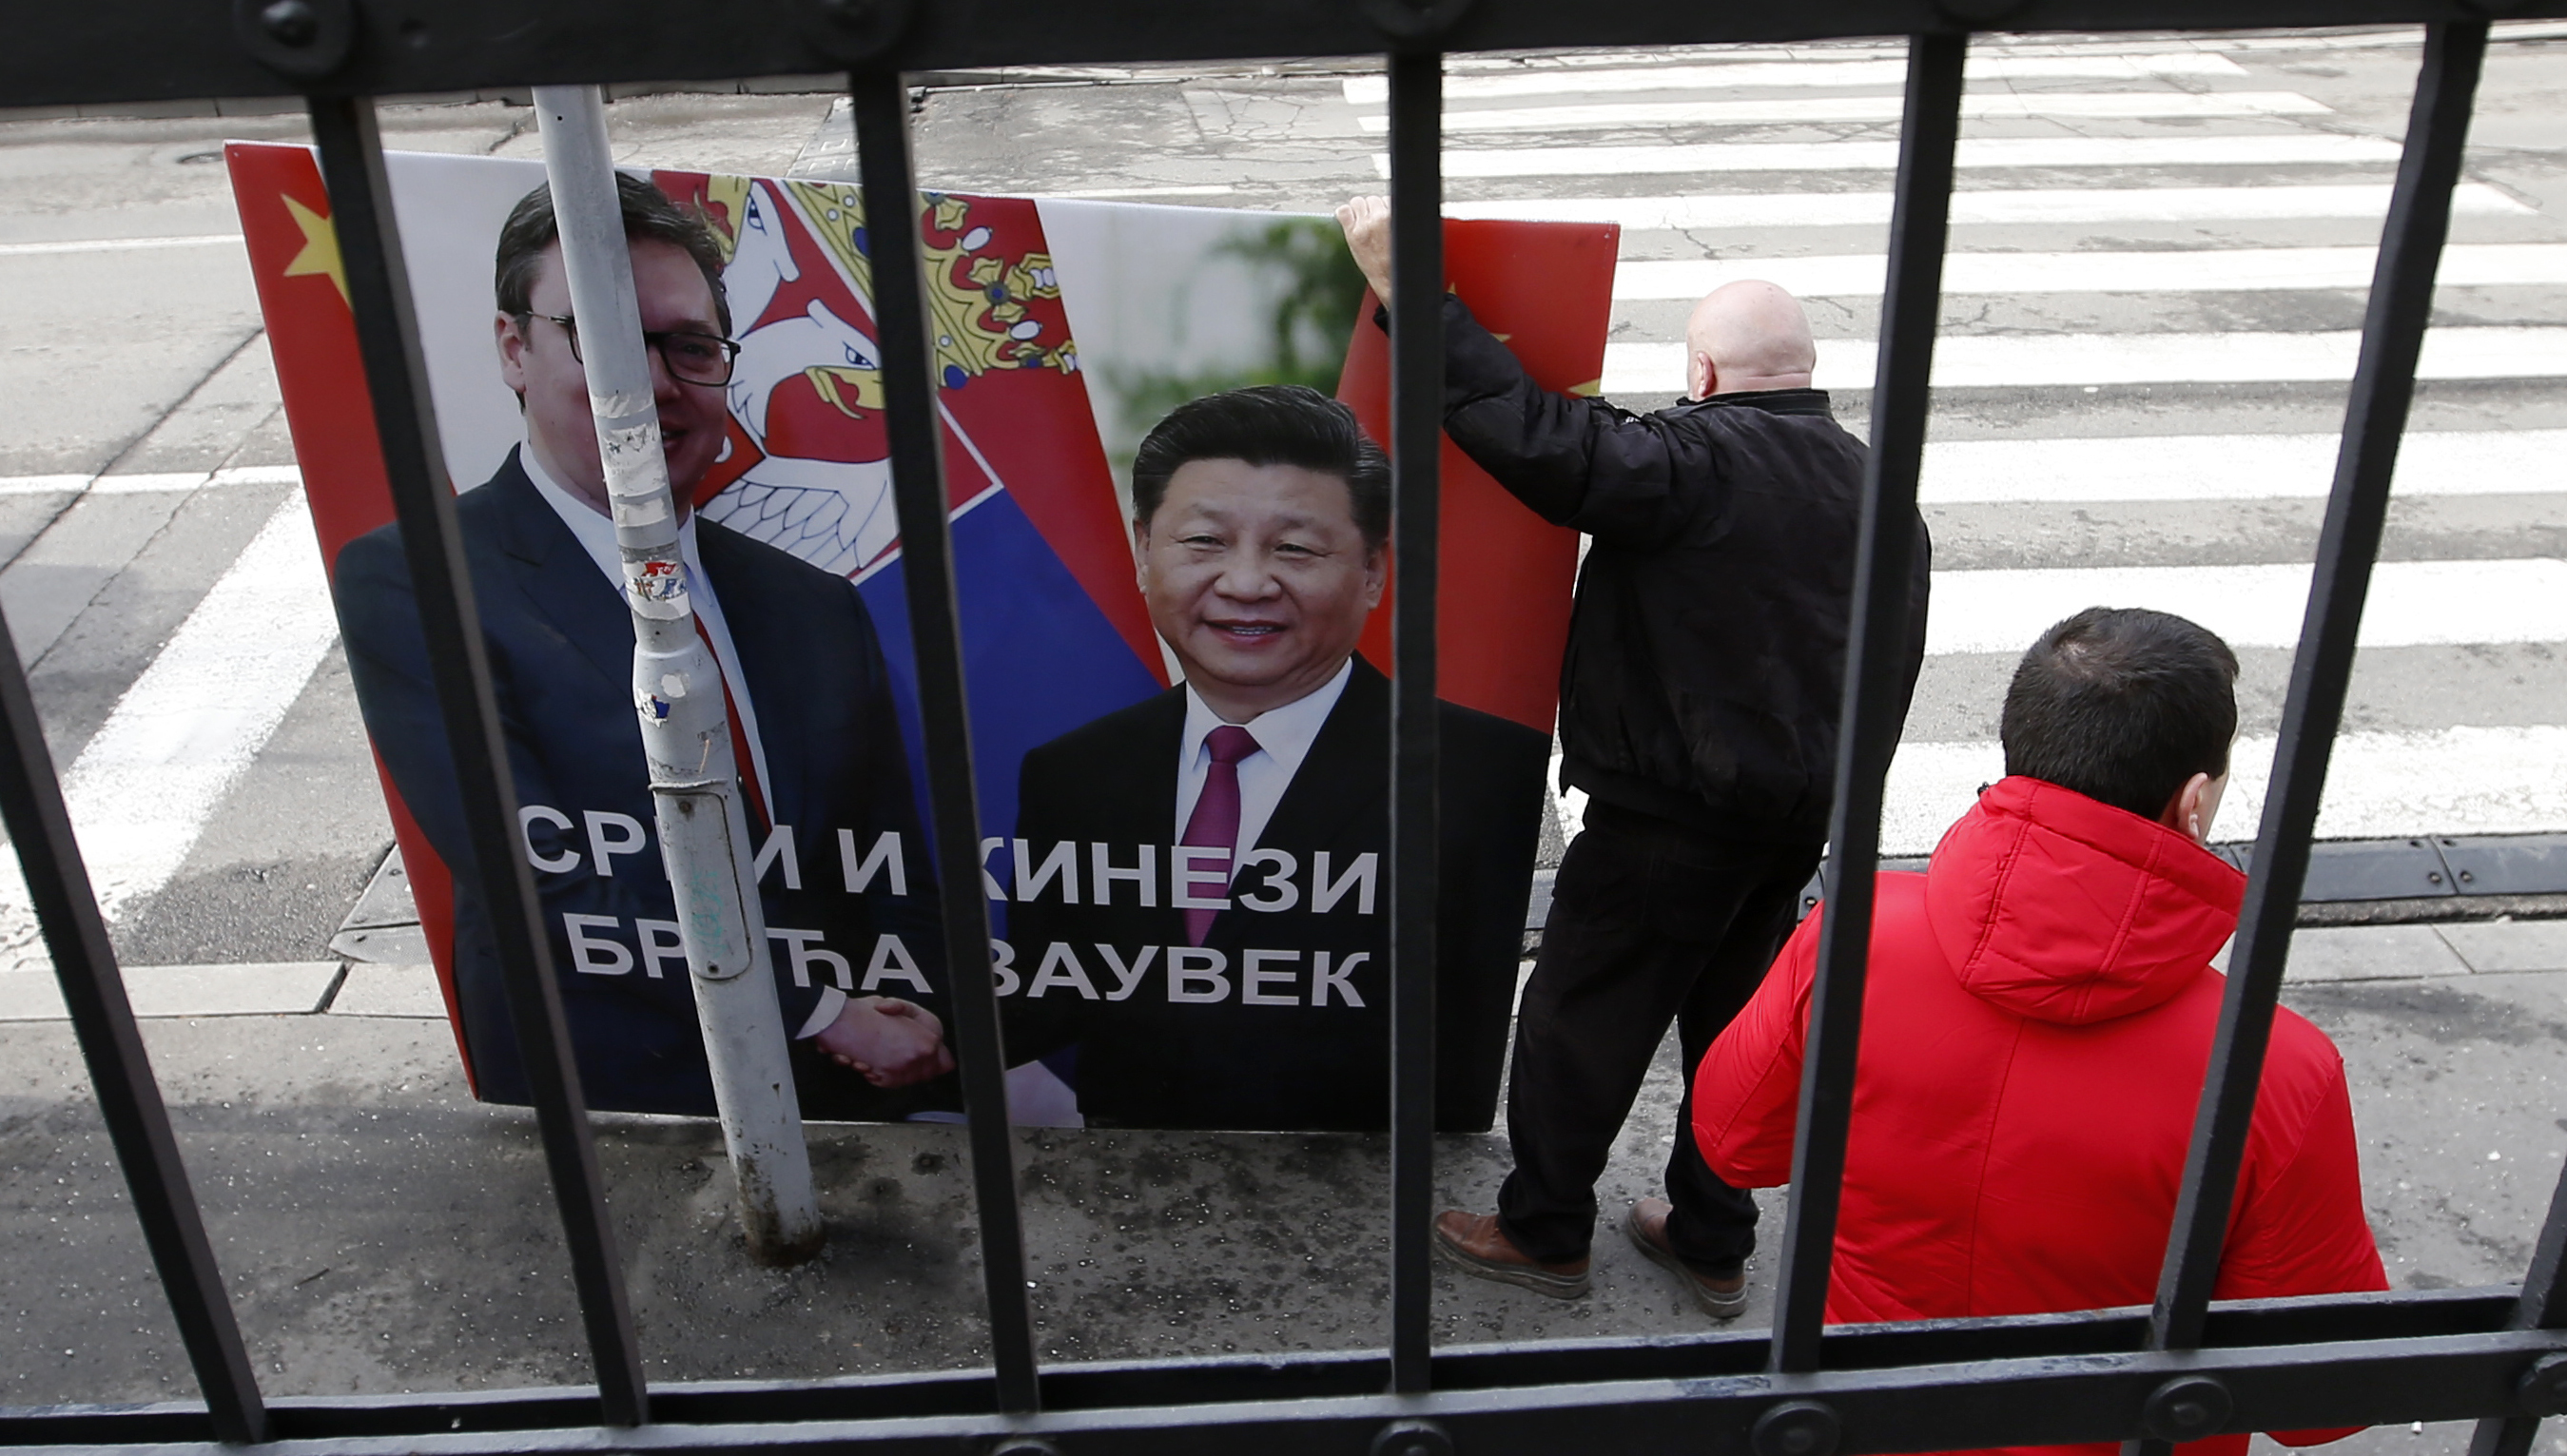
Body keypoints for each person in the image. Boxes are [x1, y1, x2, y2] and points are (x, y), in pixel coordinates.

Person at [1693, 608, 2387, 1456]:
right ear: (2192, 801)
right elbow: (2321, 1398)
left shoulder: (1852, 939)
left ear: (2019, 752)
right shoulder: (2275, 1065)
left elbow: (1733, 1142)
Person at [1335, 198, 1932, 1317]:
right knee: (1734, 1031)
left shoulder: (1693, 461)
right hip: (1794, 823)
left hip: (1669, 815)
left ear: (1702, 372)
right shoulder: (1878, 491)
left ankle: (1543, 1228)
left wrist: (1415, 292)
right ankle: (1710, 1235)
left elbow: (1528, 431)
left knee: (1579, 1016)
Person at [334, 173, 951, 1118]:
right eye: (609, 339)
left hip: (841, 1108)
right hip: (609, 1119)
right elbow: (541, 880)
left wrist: (908, 1016)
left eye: (691, 348)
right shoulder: (418, 583)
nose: (655, 383)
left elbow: (887, 861)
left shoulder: (815, 605)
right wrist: (822, 1011)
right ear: (515, 346)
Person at [998, 384, 1548, 1131]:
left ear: (1374, 570)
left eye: (1295, 547)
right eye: (1203, 542)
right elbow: (1050, 996)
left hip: (1369, 1191)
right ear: (1141, 550)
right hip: (1122, 1174)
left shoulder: (1486, 774)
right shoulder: (1071, 771)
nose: (1248, 583)